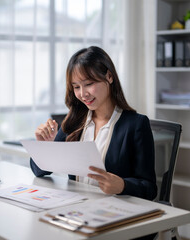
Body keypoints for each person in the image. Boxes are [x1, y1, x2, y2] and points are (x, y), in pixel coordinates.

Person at [30, 46, 157, 201]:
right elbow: (40, 171)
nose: (83, 94)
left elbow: (150, 189)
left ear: (109, 76)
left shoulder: (136, 125)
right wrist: (45, 146)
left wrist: (122, 185)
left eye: (88, 84)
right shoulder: (74, 121)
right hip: (75, 209)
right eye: (76, 87)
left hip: (114, 213)